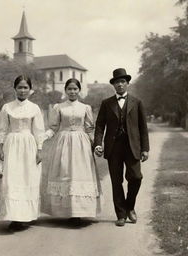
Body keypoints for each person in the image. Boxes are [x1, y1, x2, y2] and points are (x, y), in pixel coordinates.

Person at [94, 68, 149, 227]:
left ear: (127, 84)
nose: (120, 85)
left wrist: (145, 148)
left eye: (122, 82)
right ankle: (121, 214)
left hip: (133, 147)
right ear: (113, 85)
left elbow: (143, 128)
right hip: (113, 148)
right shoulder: (106, 103)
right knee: (116, 181)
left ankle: (130, 207)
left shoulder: (137, 102)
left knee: (136, 177)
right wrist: (98, 144)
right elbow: (99, 126)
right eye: (117, 82)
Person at [41, 78, 101, 223]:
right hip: (64, 143)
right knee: (65, 173)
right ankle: (67, 210)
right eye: (70, 89)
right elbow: (54, 127)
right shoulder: (59, 107)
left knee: (80, 174)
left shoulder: (85, 107)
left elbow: (89, 128)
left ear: (79, 90)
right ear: (66, 90)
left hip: (82, 144)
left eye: (75, 89)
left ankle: (78, 213)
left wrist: (97, 144)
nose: (72, 92)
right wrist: (43, 137)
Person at [0, 75, 45, 230]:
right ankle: (14, 218)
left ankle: (26, 216)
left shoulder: (34, 108)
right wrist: (1, 147)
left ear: (30, 90)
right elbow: (3, 129)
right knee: (12, 180)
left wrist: (39, 149)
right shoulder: (7, 107)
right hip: (11, 146)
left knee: (28, 178)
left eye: (26, 87)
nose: (23, 90)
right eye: (20, 87)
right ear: (15, 89)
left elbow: (39, 131)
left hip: (29, 146)